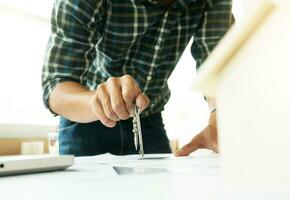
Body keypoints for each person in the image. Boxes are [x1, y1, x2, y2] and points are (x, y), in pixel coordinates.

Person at [42, 0, 234, 156]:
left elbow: (218, 65)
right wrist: (98, 100)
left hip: (149, 123)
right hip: (85, 121)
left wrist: (220, 116)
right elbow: (56, 88)